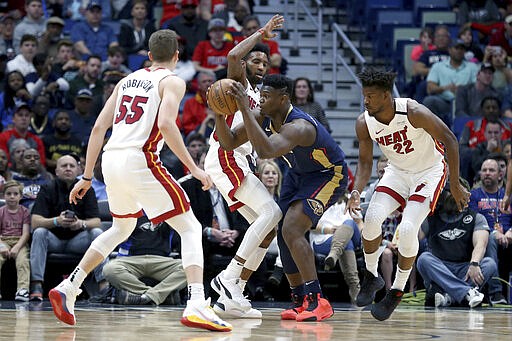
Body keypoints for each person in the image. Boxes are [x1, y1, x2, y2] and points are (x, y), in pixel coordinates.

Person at [47, 29, 231, 332]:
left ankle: (70, 285)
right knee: (191, 227)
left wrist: (86, 175)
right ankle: (197, 303)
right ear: (176, 56)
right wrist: (194, 169)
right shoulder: (172, 80)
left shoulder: (125, 80)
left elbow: (97, 128)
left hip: (111, 160)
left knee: (122, 227)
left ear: (148, 55)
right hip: (140, 158)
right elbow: (167, 125)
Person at [346, 68, 470, 321]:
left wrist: (455, 184)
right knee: (371, 218)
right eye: (364, 95)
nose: (365, 101)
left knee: (410, 227)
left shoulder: (413, 112)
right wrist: (356, 191)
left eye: (370, 96)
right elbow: (365, 163)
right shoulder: (364, 122)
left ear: (385, 95)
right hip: (398, 171)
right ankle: (371, 276)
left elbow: (450, 140)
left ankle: (397, 290)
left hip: (429, 172)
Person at [228, 73, 347, 322]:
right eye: (260, 94)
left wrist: (244, 109)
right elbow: (228, 142)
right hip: (298, 173)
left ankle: (318, 301)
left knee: (293, 228)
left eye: (266, 96)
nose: (260, 100)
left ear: (283, 99)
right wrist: (219, 113)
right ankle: (299, 300)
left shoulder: (299, 126)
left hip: (327, 174)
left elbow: (265, 151)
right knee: (282, 229)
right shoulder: (264, 115)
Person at [204, 15, 284, 319]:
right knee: (272, 212)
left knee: (266, 231)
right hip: (225, 156)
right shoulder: (237, 84)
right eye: (256, 60)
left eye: (265, 62)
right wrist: (261, 34)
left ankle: (233, 293)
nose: (261, 64)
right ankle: (227, 277)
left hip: (240, 158)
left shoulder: (259, 99)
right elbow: (233, 55)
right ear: (247, 65)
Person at [29, 155, 103, 301]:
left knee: (97, 233)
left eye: (72, 166)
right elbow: (35, 222)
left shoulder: (87, 190)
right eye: (64, 166)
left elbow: (96, 222)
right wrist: (57, 221)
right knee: (39, 232)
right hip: (53, 240)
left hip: (77, 241)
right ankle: (36, 285)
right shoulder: (47, 188)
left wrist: (80, 224)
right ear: (56, 171)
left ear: (79, 170)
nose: (68, 168)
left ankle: (104, 286)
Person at [417, 178, 495, 308]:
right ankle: (467, 293)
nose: (452, 196)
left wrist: (474, 263)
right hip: (440, 269)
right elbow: (415, 237)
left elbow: (480, 245)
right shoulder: (431, 217)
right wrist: (419, 208)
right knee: (423, 259)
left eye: (457, 192)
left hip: (466, 268)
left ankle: (449, 297)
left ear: (466, 196)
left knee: (489, 264)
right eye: (449, 192)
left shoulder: (476, 218)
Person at [102, 215, 187, 306]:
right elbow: (121, 236)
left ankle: (142, 296)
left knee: (188, 268)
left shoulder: (165, 209)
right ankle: (159, 296)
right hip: (131, 259)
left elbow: (180, 228)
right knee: (109, 269)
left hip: (161, 260)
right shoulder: (128, 208)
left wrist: (165, 212)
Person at [0, 180, 31, 301]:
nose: (12, 197)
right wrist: (2, 246)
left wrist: (17, 247)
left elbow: (26, 233)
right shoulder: (1, 211)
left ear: (21, 196)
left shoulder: (25, 212)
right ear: (3, 195)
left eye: (15, 194)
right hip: (3, 241)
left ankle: (23, 290)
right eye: (9, 194)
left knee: (23, 261)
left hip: (20, 241)